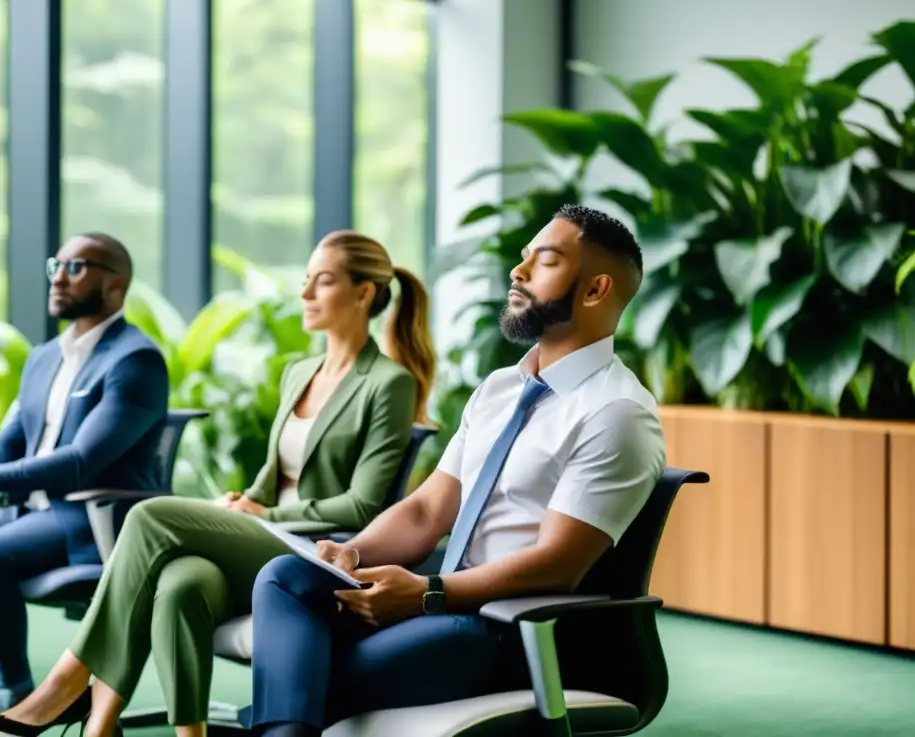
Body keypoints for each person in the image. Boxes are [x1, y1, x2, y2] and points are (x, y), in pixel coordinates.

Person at [245, 204, 667, 737]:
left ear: (594, 290)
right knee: (286, 577)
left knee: (301, 672)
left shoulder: (616, 413)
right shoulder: (499, 389)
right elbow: (426, 510)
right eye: (524, 258)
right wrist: (352, 553)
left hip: (502, 629)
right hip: (438, 604)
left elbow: (557, 565)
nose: (518, 271)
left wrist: (427, 592)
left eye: (545, 261)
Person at [0, 231, 437, 737]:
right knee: (179, 582)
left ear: (363, 294)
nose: (305, 295)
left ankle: (68, 684)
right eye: (305, 281)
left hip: (320, 553)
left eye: (323, 282)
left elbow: (363, 505)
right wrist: (247, 499)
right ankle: (151, 729)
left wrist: (264, 516)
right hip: (268, 537)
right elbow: (273, 479)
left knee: (149, 514)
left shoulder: (388, 383)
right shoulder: (300, 372)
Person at [0, 233, 170, 716]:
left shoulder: (135, 360)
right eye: (58, 264)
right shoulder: (44, 358)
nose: (59, 276)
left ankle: (18, 690)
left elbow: (81, 461)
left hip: (89, 516)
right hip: (31, 513)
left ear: (115, 284)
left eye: (77, 267)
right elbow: (11, 443)